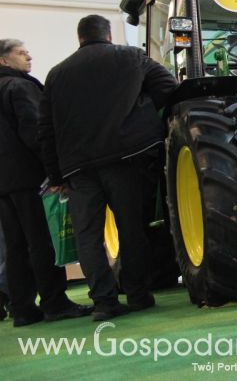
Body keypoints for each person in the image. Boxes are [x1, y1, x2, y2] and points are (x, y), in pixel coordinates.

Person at [38, 16, 178, 321]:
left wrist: (56, 175)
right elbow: (168, 88)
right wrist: (144, 116)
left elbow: (45, 130)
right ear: (109, 34)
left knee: (88, 236)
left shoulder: (56, 74)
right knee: (131, 229)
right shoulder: (131, 57)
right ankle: (139, 295)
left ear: (80, 38)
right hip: (126, 157)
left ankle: (104, 302)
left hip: (77, 168)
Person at [0, 39, 93, 327]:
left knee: (15, 246)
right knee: (41, 242)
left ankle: (23, 308)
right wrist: (54, 172)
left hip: (4, 184)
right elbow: (34, 132)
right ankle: (55, 303)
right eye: (20, 52)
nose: (29, 55)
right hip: (28, 178)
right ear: (3, 60)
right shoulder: (19, 87)